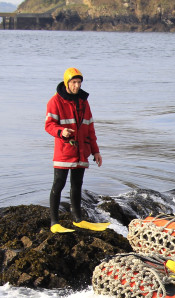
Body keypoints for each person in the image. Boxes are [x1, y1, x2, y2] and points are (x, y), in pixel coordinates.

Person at [45, 67, 103, 233]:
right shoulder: (55, 101)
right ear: (67, 82)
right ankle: (54, 223)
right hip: (64, 150)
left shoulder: (84, 102)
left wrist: (96, 151)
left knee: (77, 185)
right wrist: (61, 132)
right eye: (74, 82)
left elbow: (90, 129)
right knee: (58, 184)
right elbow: (48, 125)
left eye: (79, 82)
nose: (77, 86)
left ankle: (78, 219)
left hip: (81, 151)